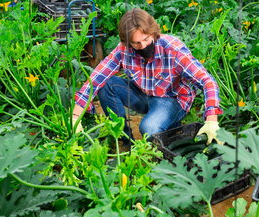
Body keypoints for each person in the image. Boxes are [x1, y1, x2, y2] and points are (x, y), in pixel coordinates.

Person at [72, 8, 223, 146]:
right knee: (106, 84)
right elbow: (97, 77)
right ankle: (125, 139)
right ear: (128, 42)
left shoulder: (173, 49)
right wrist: (75, 116)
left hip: (172, 100)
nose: (143, 46)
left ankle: (171, 127)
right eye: (136, 43)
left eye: (146, 40)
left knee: (148, 129)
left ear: (152, 32)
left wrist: (211, 119)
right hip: (145, 95)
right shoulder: (124, 50)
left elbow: (207, 81)